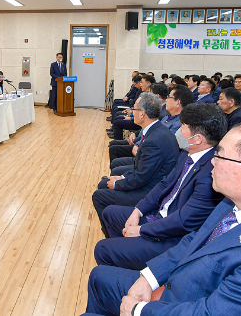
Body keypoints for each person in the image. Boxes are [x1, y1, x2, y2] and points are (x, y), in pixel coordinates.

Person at [84, 124, 241, 316]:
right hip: (180, 289)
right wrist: (149, 277)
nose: (212, 161)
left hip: (187, 302)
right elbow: (193, 240)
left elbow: (207, 312)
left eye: (221, 157)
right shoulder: (235, 203)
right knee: (99, 278)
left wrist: (139, 310)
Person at [93, 103, 226, 270]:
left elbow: (183, 221)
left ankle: (130, 267)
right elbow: (165, 184)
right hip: (159, 215)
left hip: (171, 237)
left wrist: (142, 230)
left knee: (103, 249)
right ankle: (125, 255)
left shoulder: (210, 174)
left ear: (198, 138)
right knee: (111, 213)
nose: (179, 130)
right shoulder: (187, 154)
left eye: (184, 126)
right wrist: (138, 211)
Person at [93, 93, 180, 238]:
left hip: (150, 192)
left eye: (134, 109)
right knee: (104, 184)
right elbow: (140, 169)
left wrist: (118, 184)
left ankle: (114, 237)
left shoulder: (155, 140)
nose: (132, 111)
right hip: (149, 182)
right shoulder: (156, 130)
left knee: (99, 195)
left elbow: (141, 178)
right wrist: (121, 177)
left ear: (142, 114)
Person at [108, 86, 192, 166]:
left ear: (178, 102)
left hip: (153, 156)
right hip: (145, 146)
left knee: (116, 159)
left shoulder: (179, 124)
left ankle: (120, 178)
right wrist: (137, 140)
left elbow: (159, 141)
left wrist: (138, 144)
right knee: (114, 149)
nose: (166, 100)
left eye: (169, 97)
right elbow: (151, 131)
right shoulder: (167, 117)